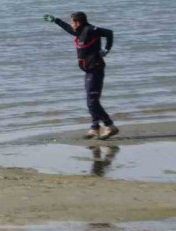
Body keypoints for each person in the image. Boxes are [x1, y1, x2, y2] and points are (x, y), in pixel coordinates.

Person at [43, 12, 119, 140]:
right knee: (92, 100)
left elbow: (109, 32)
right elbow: (68, 29)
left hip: (95, 69)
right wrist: (56, 20)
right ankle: (95, 128)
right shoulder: (80, 31)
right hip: (89, 70)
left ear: (78, 22)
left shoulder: (90, 30)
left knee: (92, 102)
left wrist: (106, 49)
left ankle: (109, 125)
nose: (71, 24)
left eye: (73, 22)